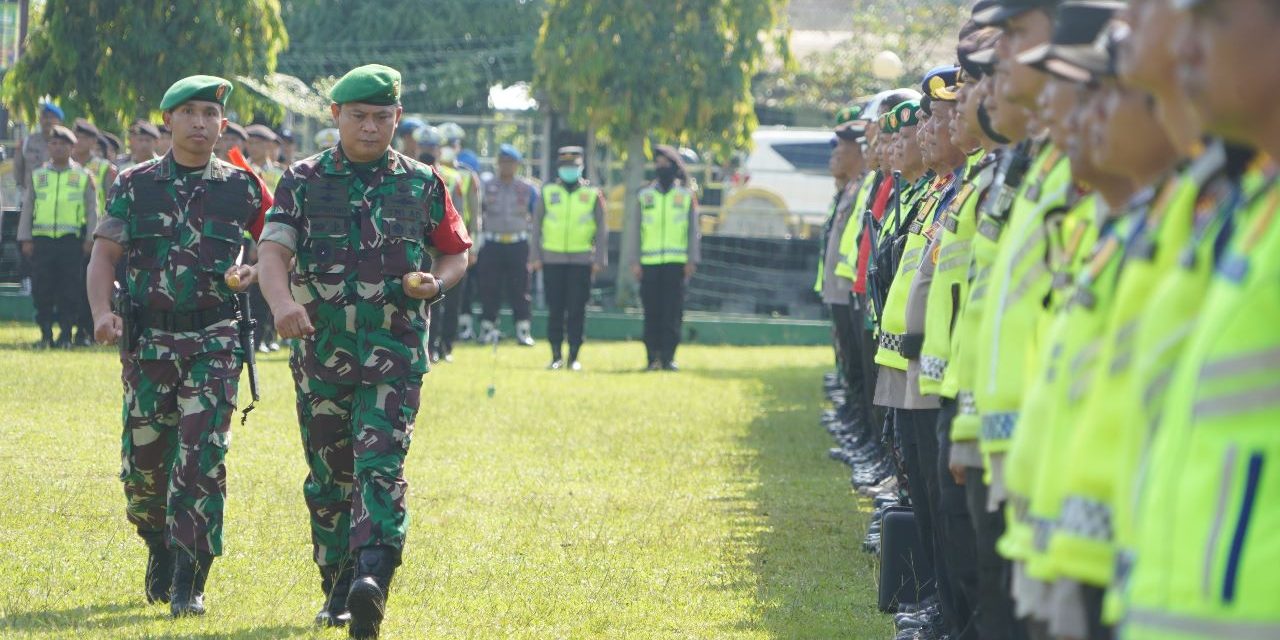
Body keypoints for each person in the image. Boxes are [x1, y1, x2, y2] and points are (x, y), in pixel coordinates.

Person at [254, 64, 472, 639]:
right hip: (320, 352)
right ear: (336, 118)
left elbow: (455, 252)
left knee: (381, 465)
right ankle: (336, 584)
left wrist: (438, 283)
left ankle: (371, 580)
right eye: (359, 117)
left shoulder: (423, 182)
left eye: (381, 117)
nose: (371, 128)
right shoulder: (301, 180)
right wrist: (280, 305)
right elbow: (273, 254)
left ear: (397, 118)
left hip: (394, 353)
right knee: (329, 477)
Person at [85, 75, 270, 618]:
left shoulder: (245, 187)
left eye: (209, 113)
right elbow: (103, 257)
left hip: (215, 338)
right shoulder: (134, 183)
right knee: (144, 468)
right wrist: (101, 314)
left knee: (201, 457)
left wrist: (253, 272)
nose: (199, 123)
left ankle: (192, 576)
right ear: (168, 120)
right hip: (149, 341)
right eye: (188, 112)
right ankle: (158, 544)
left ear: (222, 123)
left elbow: (281, 249)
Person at [17, 124, 97, 349]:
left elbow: (93, 210)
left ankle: (65, 335)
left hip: (71, 242)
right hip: (42, 241)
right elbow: (28, 208)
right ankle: (45, 335)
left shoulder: (82, 176)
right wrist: (25, 238)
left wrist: (90, 238)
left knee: (69, 289)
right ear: (48, 146)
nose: (58, 147)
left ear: (72, 147)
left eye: (64, 144)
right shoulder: (38, 175)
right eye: (54, 143)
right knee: (42, 288)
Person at [529, 146, 608, 370]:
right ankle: (555, 355)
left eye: (573, 167)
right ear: (559, 168)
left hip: (582, 260)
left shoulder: (592, 194)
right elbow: (536, 226)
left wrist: (599, 259)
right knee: (555, 308)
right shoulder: (547, 192)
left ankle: (574, 356)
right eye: (565, 167)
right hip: (552, 259)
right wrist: (535, 256)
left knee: (577, 309)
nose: (569, 170)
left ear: (581, 167)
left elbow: (602, 229)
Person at [630, 144, 701, 371]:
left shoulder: (685, 196)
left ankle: (669, 357)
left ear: (675, 167)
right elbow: (635, 230)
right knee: (652, 312)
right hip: (649, 264)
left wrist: (691, 259)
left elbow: (693, 231)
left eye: (666, 164)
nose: (661, 167)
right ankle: (652, 358)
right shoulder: (645, 195)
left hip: (676, 264)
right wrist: (635, 260)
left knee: (672, 312)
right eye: (658, 163)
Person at [475, 142, 538, 347]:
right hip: (492, 242)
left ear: (517, 164)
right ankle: (487, 328)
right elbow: (477, 212)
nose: (506, 166)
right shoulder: (486, 186)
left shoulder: (527, 188)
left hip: (517, 242)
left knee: (520, 287)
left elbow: (537, 216)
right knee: (489, 286)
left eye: (511, 162)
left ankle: (523, 329)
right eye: (503, 162)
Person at [71, 118, 119, 346]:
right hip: (72, 231)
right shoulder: (65, 166)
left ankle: (89, 330)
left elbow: (113, 203)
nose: (77, 141)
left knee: (89, 283)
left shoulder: (104, 168)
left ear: (92, 141)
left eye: (82, 137)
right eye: (75, 136)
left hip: (99, 233)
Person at [15, 101, 63, 202]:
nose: (48, 121)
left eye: (52, 117)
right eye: (45, 117)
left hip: (57, 199)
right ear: (40, 120)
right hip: (30, 198)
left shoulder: (66, 145)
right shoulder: (27, 142)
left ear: (60, 121)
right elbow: (18, 170)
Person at [245, 124, 285, 192]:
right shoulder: (240, 168)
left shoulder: (279, 172)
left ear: (268, 145)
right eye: (250, 143)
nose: (254, 147)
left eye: (258, 143)